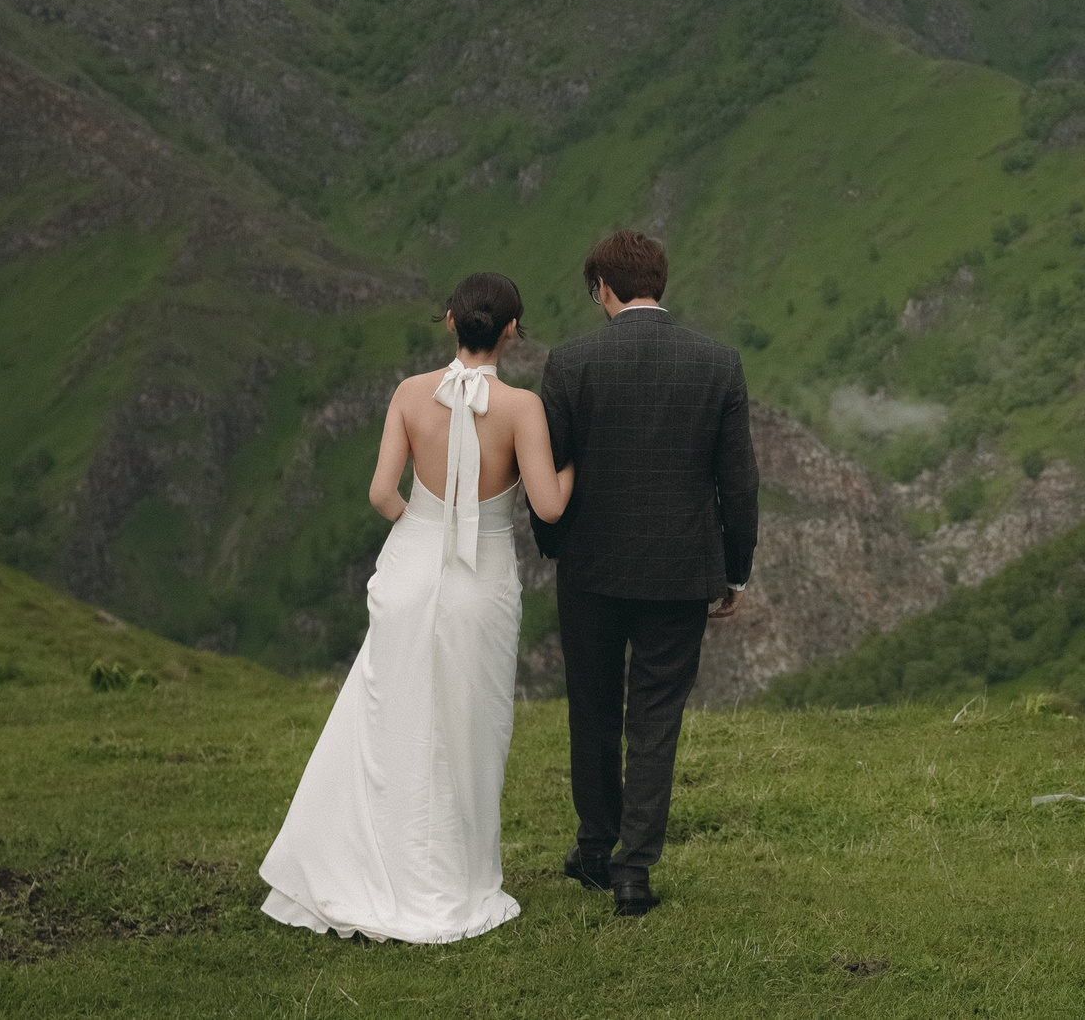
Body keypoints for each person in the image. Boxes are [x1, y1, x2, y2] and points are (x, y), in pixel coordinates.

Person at [258, 271, 571, 942]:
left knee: (393, 721)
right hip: (479, 579)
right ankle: (457, 878)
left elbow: (380, 492)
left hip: (409, 570)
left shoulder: (407, 393)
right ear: (511, 330)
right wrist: (583, 462)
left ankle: (373, 864)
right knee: (469, 728)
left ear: (450, 318)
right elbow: (549, 504)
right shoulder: (521, 409)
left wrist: (419, 527)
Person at [539, 229, 759, 919]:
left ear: (602, 286)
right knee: (657, 717)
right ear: (658, 282)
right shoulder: (717, 363)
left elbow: (548, 471)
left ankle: (596, 848)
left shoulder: (569, 361)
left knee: (594, 710)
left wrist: (555, 543)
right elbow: (738, 481)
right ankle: (635, 871)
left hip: (591, 567)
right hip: (679, 571)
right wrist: (736, 571)